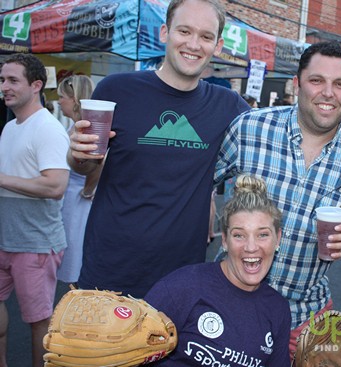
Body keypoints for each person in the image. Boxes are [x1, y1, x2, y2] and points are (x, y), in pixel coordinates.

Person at [67, 0, 251, 298]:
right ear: (165, 33)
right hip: (109, 269)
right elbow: (87, 166)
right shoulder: (115, 90)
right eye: (184, 31)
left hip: (180, 278)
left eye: (206, 36)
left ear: (217, 46)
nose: (193, 44)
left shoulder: (228, 105)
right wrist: (76, 153)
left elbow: (282, 128)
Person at [214, 41, 341, 357]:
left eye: (339, 84)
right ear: (297, 84)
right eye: (317, 80)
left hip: (302, 321)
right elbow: (197, 183)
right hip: (229, 304)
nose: (328, 92)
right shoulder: (250, 128)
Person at [145, 175, 291, 366]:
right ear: (224, 240)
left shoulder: (278, 309)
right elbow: (132, 352)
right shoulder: (182, 288)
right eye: (239, 235)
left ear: (278, 239)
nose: (251, 247)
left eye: (263, 234)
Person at [0, 53, 70, 367]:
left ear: (36, 85)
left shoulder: (47, 128)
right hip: (5, 240)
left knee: (39, 324)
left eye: (13, 80)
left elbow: (55, 186)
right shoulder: (11, 127)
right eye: (2, 80)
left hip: (36, 245)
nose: (4, 87)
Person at [56, 75, 99, 286]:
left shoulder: (86, 128)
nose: (58, 101)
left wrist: (89, 188)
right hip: (72, 198)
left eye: (61, 97)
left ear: (74, 99)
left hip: (78, 201)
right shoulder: (76, 126)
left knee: (76, 258)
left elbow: (102, 158)